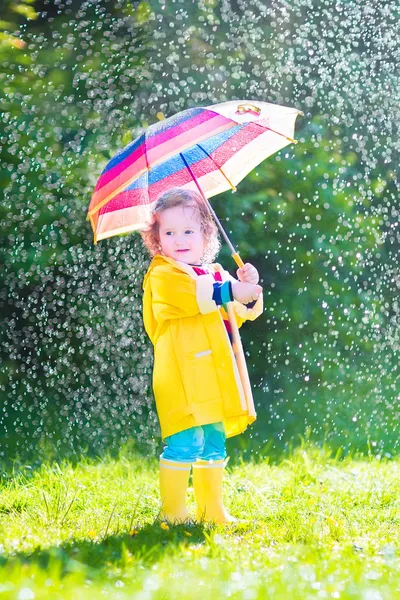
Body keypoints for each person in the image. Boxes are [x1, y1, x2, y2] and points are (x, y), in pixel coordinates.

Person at [141, 187, 263, 524]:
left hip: (213, 375)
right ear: (157, 239)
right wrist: (230, 290)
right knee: (185, 440)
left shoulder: (215, 273)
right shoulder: (163, 274)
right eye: (169, 232)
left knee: (213, 438)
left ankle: (212, 510)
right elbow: (194, 298)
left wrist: (249, 289)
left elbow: (240, 312)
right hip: (181, 376)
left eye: (189, 231)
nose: (179, 239)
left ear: (206, 234)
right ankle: (173, 512)